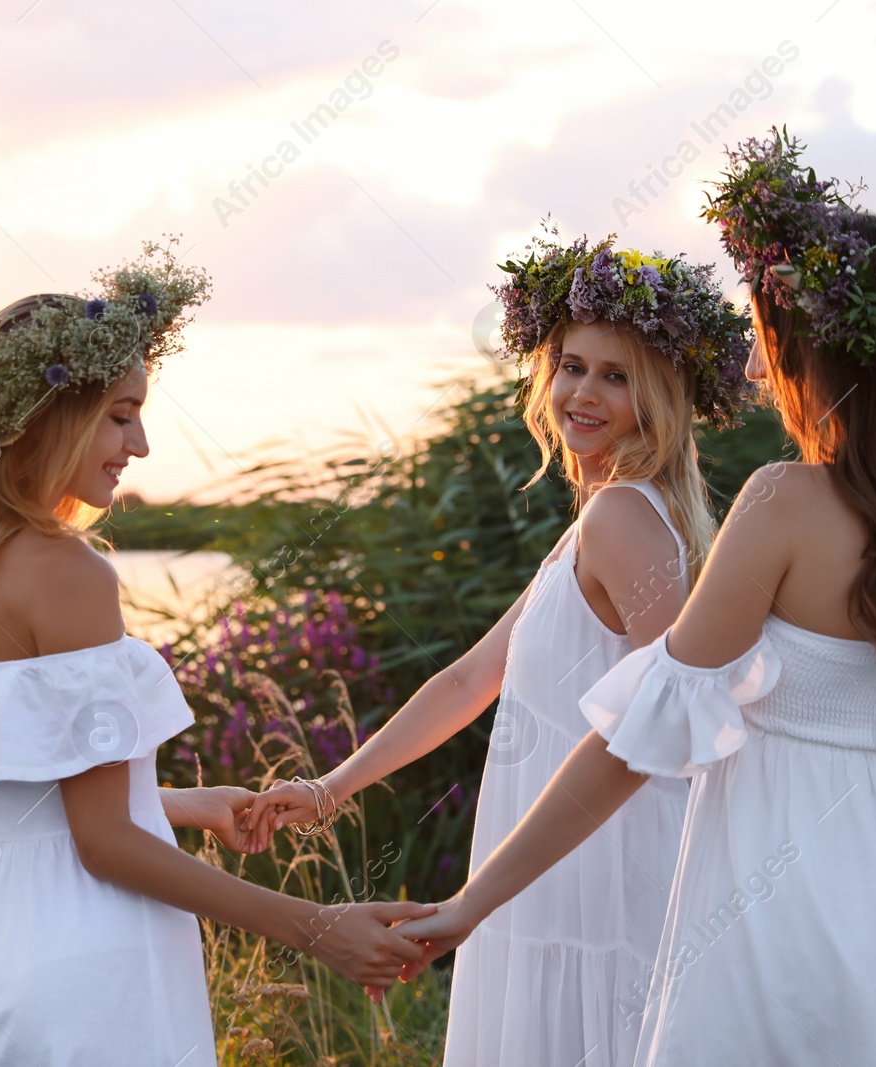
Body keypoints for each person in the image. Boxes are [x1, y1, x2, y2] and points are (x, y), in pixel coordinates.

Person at [395, 132, 876, 1066]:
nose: (756, 366)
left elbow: (635, 741)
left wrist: (473, 902)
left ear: (819, 355)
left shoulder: (785, 502)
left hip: (777, 899)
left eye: (766, 337)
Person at [0, 242, 433, 1067]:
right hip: (95, 955)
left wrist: (186, 802)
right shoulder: (67, 572)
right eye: (121, 414)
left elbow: (39, 811)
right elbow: (103, 845)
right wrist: (319, 930)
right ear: (50, 417)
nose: (139, 444)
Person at [242, 230, 755, 1066]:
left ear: (658, 397)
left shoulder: (623, 518)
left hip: (600, 881)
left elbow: (667, 730)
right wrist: (332, 786)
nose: (582, 392)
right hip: (552, 869)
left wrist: (478, 898)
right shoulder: (599, 519)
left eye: (616, 375)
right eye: (573, 364)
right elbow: (471, 678)